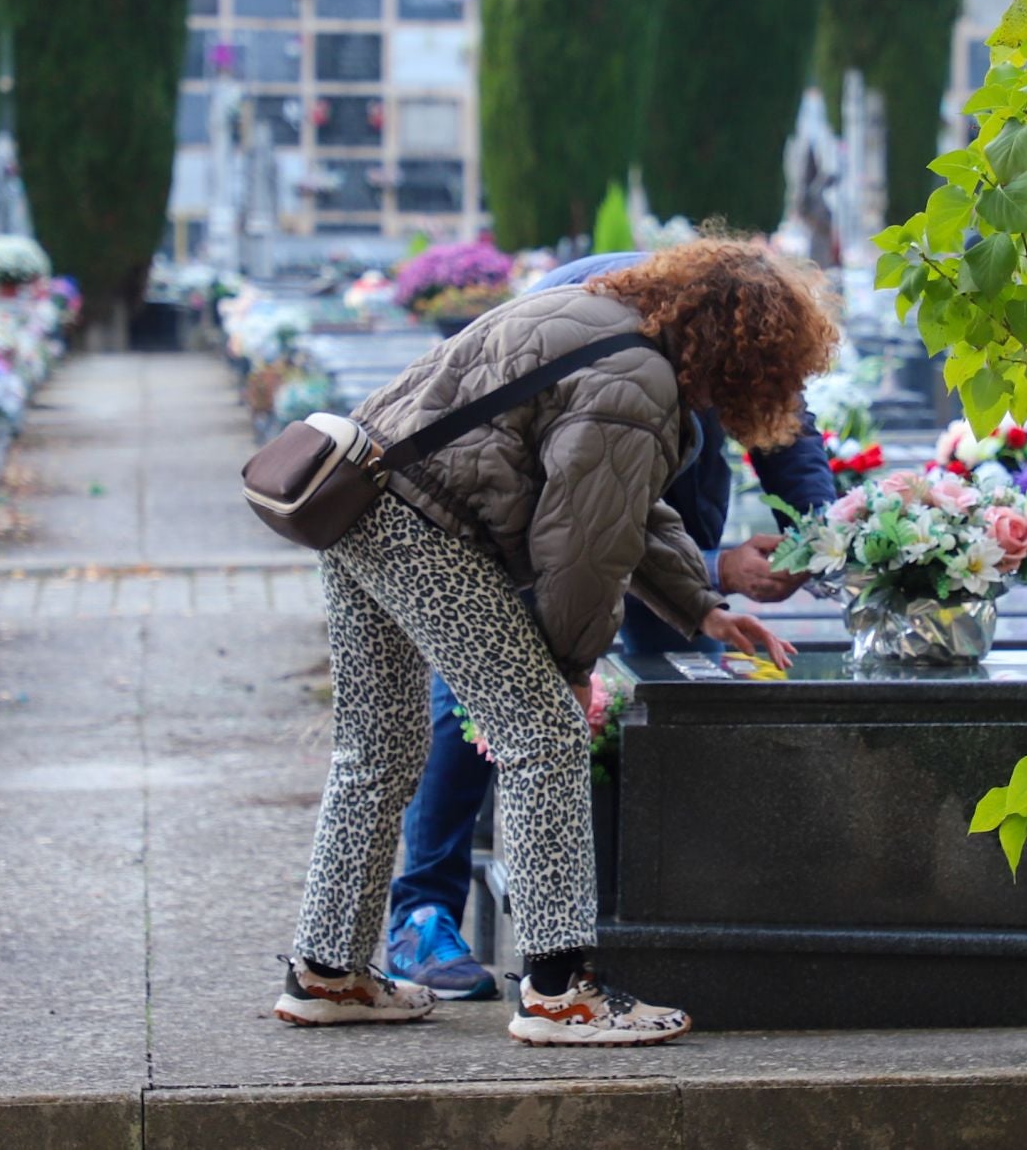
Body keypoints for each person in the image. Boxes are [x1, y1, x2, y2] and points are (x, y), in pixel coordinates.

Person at [273, 240, 837, 1046]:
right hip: (427, 531)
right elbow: (582, 544)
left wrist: (705, 609)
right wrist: (569, 664)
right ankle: (558, 989)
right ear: (740, 353)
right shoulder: (639, 381)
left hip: (358, 502)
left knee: (376, 746)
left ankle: (326, 970)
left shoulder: (603, 321)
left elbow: (621, 508)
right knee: (542, 735)